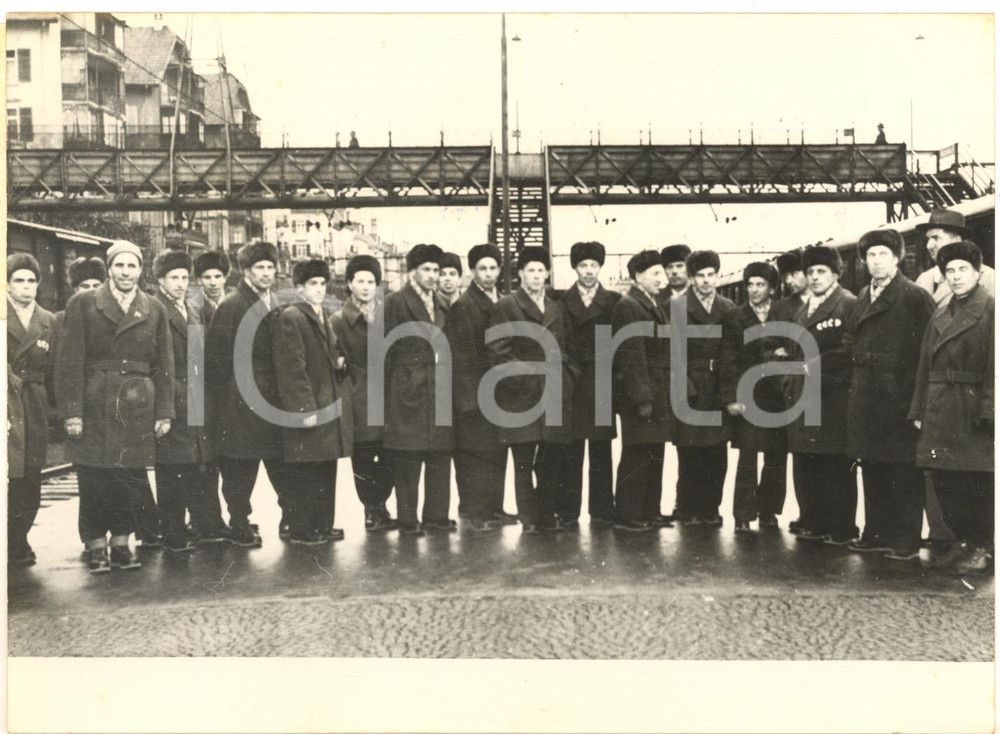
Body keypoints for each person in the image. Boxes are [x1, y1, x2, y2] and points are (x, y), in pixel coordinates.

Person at [56, 240, 175, 573]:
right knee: (92, 477)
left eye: (132, 265)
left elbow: (164, 364)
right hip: (95, 401)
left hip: (136, 403)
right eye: (120, 265)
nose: (126, 272)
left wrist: (164, 410)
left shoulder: (153, 307)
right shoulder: (83, 303)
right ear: (109, 269)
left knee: (126, 476)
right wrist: (72, 411)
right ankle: (96, 545)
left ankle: (122, 542)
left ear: (140, 269)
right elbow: (70, 360)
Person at [843, 230, 935, 560]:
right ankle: (875, 532)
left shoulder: (914, 297)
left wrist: (916, 403)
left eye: (883, 254)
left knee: (902, 470)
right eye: (871, 255)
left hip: (899, 398)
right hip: (867, 399)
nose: (877, 261)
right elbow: (849, 343)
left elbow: (926, 353)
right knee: (872, 466)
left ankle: (906, 537)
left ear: (897, 258)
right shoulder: (862, 297)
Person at [909, 241, 994, 575]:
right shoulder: (941, 312)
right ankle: (963, 540)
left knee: (976, 481)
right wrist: (918, 410)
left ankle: (983, 546)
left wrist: (989, 411)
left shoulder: (990, 309)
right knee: (945, 479)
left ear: (977, 272)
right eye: (950, 271)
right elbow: (923, 367)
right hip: (940, 408)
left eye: (963, 270)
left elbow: (994, 367)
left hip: (970, 408)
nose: (956, 277)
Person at [205, 241, 288, 548]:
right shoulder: (232, 305)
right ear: (246, 271)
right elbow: (216, 359)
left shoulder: (274, 302)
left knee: (279, 462)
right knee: (240, 468)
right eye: (259, 268)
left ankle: (289, 516)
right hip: (240, 400)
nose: (266, 273)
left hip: (272, 399)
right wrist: (229, 398)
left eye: (270, 267)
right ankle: (239, 522)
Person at [488, 245, 573, 533]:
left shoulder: (555, 307)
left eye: (541, 270)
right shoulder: (506, 306)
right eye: (531, 271)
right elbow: (499, 352)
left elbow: (568, 347)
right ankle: (529, 519)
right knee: (523, 461)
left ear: (547, 274)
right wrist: (527, 379)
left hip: (554, 392)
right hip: (521, 396)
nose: (536, 276)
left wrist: (567, 376)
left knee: (552, 460)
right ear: (521, 274)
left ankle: (546, 515)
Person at [151, 249, 229, 554]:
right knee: (172, 467)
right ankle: (173, 531)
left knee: (200, 462)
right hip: (171, 396)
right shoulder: (156, 309)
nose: (181, 283)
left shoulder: (193, 310)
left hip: (196, 395)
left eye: (184, 277)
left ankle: (204, 525)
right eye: (174, 278)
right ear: (160, 279)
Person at [273, 259, 353, 544]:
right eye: (312, 284)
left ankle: (322, 524)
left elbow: (328, 354)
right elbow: (292, 367)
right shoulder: (292, 316)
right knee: (306, 471)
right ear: (299, 288)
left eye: (322, 283)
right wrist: (303, 408)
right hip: (309, 406)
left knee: (324, 467)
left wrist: (339, 361)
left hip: (325, 402)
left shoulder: (321, 314)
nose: (319, 289)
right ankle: (302, 529)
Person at [785, 245, 858, 546]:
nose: (814, 278)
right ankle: (812, 519)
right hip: (804, 397)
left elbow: (848, 351)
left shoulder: (848, 304)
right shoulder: (805, 307)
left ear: (836, 273)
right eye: (810, 272)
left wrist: (810, 366)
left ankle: (840, 526)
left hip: (832, 397)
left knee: (835, 464)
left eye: (821, 272)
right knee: (807, 461)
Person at [382, 244, 455, 535]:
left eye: (436, 270)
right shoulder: (395, 302)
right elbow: (384, 351)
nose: (433, 275)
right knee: (408, 456)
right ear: (412, 271)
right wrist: (388, 396)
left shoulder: (441, 302)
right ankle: (408, 519)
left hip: (438, 387)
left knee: (439, 453)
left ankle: (436, 516)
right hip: (406, 386)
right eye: (426, 269)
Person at [444, 243, 516, 531]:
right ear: (473, 272)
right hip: (475, 395)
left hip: (499, 393)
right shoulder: (464, 306)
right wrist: (468, 401)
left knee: (496, 451)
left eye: (493, 268)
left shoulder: (503, 301)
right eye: (482, 268)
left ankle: (494, 508)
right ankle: (475, 512)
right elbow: (461, 358)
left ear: (499, 271)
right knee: (473, 454)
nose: (488, 274)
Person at [720, 262, 788, 533]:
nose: (754, 290)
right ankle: (743, 514)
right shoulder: (735, 318)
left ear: (772, 288)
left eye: (760, 284)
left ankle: (769, 511)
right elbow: (728, 362)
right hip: (747, 396)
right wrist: (731, 398)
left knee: (776, 457)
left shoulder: (784, 314)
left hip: (779, 398)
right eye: (750, 284)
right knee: (747, 457)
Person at [557, 241, 622, 528]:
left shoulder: (614, 302)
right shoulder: (561, 303)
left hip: (601, 383)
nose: (588, 271)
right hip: (573, 383)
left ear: (600, 267)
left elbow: (620, 345)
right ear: (575, 268)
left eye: (593, 265)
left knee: (600, 450)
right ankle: (568, 511)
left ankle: (602, 510)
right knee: (570, 451)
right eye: (583, 265)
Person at [332, 255, 398, 532]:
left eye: (371, 281)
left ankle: (381, 504)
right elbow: (332, 354)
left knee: (390, 453)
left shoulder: (388, 316)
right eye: (360, 281)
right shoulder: (337, 320)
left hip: (388, 394)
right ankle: (370, 508)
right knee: (363, 456)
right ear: (349, 283)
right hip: (357, 395)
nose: (366, 286)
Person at [611, 250, 674, 531]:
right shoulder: (629, 306)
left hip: (656, 389)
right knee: (637, 452)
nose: (663, 279)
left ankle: (649, 510)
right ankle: (628, 513)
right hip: (642, 394)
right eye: (656, 274)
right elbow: (631, 355)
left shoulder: (650, 303)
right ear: (638, 276)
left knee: (654, 451)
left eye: (662, 273)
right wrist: (642, 398)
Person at [672, 250, 736, 526]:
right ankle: (688, 508)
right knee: (689, 451)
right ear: (692, 277)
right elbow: (672, 353)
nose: (707, 280)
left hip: (717, 386)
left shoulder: (728, 307)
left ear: (717, 275)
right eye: (701, 275)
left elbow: (731, 355)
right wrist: (684, 389)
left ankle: (711, 509)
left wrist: (730, 395)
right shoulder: (676, 307)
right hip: (690, 387)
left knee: (716, 453)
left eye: (711, 275)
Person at [7, 253, 56, 566]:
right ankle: (9, 540)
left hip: (34, 402)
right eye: (18, 280)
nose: (26, 287)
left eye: (31, 280)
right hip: (5, 401)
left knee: (32, 474)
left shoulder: (48, 320)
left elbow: (54, 369)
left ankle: (19, 537)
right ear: (7, 285)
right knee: (9, 472)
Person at [914, 209, 995, 307]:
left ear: (956, 241)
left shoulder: (989, 278)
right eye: (928, 240)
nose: (929, 245)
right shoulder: (924, 278)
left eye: (936, 238)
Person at [194, 250, 232, 325]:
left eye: (217, 276)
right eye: (207, 277)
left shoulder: (236, 299)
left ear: (225, 278)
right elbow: (195, 336)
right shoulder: (194, 305)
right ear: (199, 280)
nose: (213, 283)